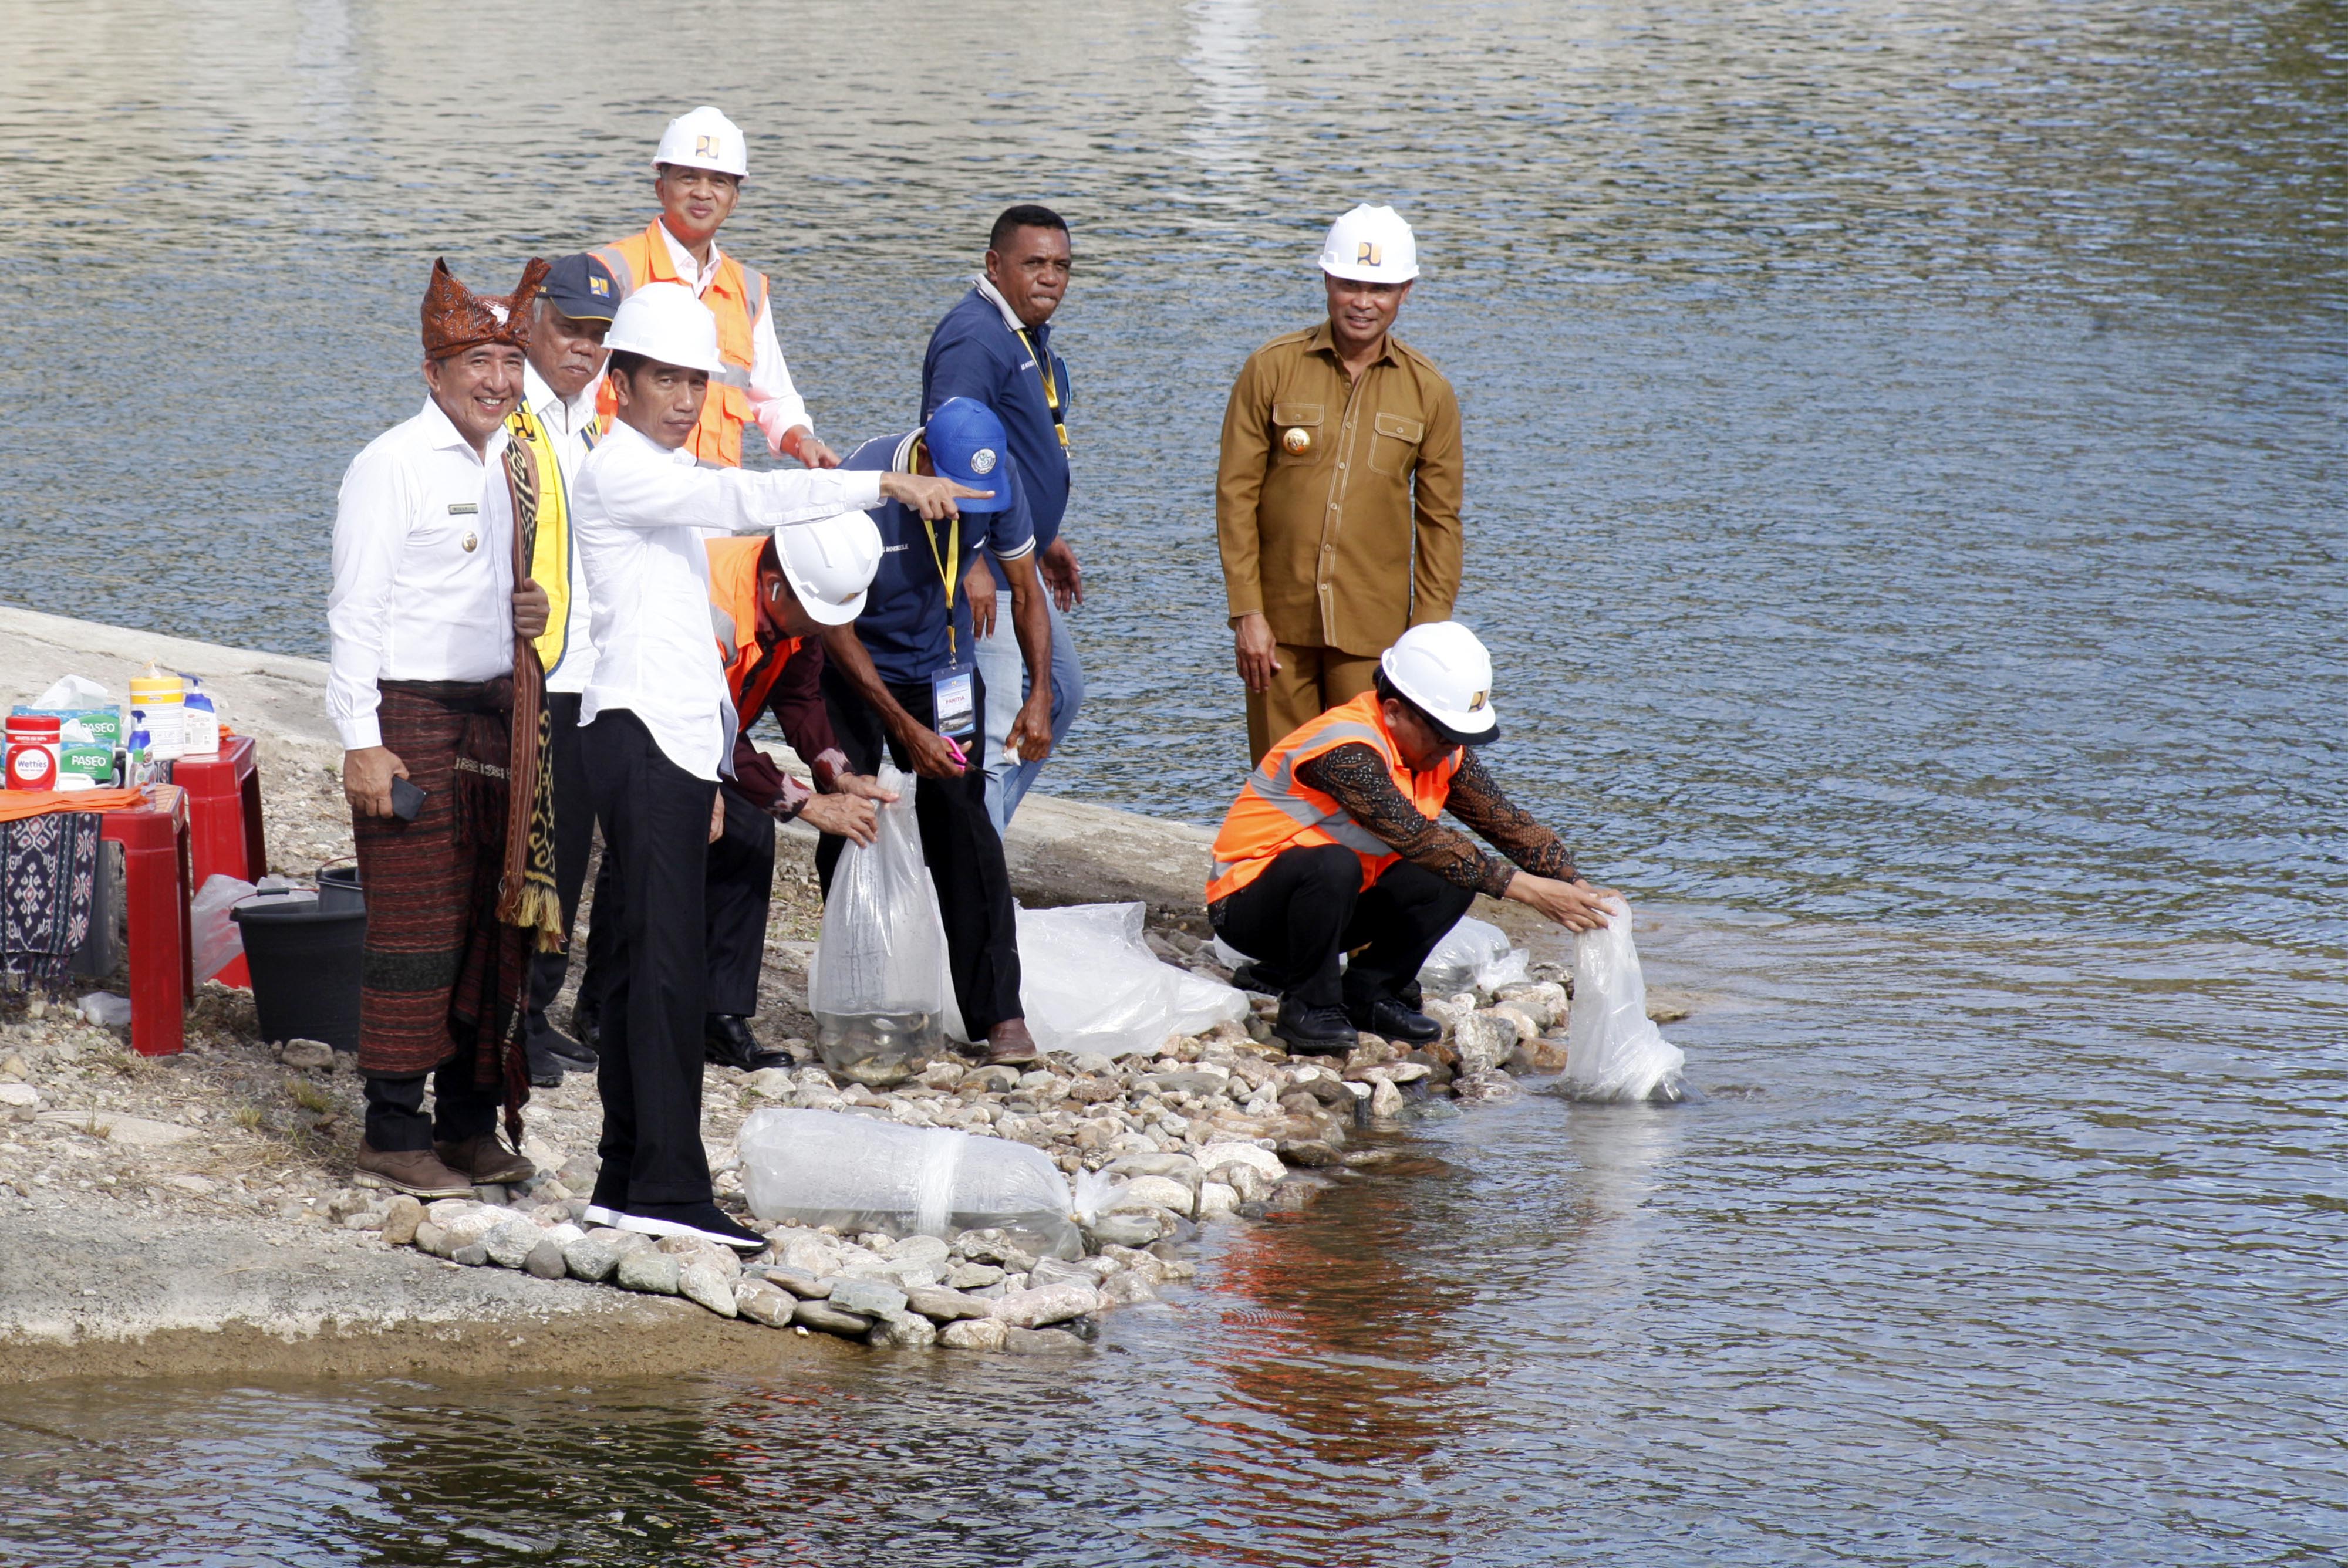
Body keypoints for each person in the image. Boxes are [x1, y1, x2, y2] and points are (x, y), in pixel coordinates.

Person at [573, 282, 979, 1251]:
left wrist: (721, 766)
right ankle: (666, 1187)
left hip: (666, 741)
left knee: (642, 968)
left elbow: (691, 650)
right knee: (661, 973)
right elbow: (744, 494)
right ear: (617, 382)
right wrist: (881, 484)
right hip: (633, 735)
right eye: (662, 378)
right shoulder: (623, 471)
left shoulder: (655, 476)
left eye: (694, 381)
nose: (681, 396)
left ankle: (624, 1175)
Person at [329, 258, 555, 1199]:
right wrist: (360, 738)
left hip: (497, 715)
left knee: (489, 919)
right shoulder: (389, 463)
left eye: (510, 359)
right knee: (415, 925)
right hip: (411, 717)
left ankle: (466, 1126)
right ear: (434, 374)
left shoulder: (515, 461)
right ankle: (391, 1127)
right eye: (478, 362)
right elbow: (354, 612)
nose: (497, 380)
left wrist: (535, 605)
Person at [1205, 622, 1617, 1056]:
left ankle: (1370, 992)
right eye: (1441, 732)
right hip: (1250, 909)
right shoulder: (1345, 749)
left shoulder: (1441, 751)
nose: (1451, 744)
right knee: (1337, 863)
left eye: (1459, 734)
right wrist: (1530, 891)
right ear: (1394, 710)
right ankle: (1309, 1007)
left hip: (1335, 909)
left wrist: (1575, 885)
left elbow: (1507, 823)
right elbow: (1416, 836)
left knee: (1456, 874)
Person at [817, 397, 1055, 1066]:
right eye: (953, 490)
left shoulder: (992, 477)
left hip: (944, 668)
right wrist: (901, 725)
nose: (966, 505)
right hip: (852, 664)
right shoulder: (864, 484)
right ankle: (859, 996)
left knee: (965, 824)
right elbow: (829, 623)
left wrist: (1039, 692)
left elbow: (1025, 586)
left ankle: (999, 1013)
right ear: (923, 462)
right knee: (852, 817)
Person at [1216, 204, 1464, 765]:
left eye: (1379, 288)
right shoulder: (1271, 369)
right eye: (1350, 283)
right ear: (1327, 280)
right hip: (1277, 630)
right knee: (1283, 782)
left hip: (1375, 639)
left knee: (1365, 788)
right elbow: (1236, 498)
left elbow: (1440, 524)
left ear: (1405, 292)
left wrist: (1423, 644)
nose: (1363, 301)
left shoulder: (1430, 393)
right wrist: (1247, 613)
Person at [695, 526, 898, 1072]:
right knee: (657, 839)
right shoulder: (708, 595)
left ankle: (720, 1015)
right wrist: (808, 806)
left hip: (716, 729)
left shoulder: (801, 606)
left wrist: (839, 773)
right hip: (657, 726)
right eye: (816, 617)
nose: (824, 630)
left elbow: (800, 698)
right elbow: (705, 724)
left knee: (751, 832)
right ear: (774, 587)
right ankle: (600, 1006)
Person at [920, 204, 1085, 829]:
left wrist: (1043, 537)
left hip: (1018, 553)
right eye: (1034, 263)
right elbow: (947, 449)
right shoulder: (975, 337)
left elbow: (1009, 450)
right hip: (982, 568)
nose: (1050, 277)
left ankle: (974, 853)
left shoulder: (1021, 332)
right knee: (988, 736)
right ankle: (971, 892)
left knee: (1061, 694)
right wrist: (970, 564)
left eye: (1062, 266)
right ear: (995, 264)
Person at [589, 106, 836, 472]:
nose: (703, 193)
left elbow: (773, 400)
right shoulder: (610, 272)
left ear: (735, 198)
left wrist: (805, 442)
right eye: (689, 178)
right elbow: (573, 398)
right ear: (661, 188)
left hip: (715, 506)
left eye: (719, 181)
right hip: (630, 493)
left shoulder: (747, 290)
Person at [511, 252, 619, 1088]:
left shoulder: (588, 422)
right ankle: (510, 1016)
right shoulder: (511, 416)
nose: (585, 348)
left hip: (585, 671)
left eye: (599, 335)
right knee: (526, 852)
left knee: (570, 850)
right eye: (572, 330)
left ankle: (537, 1011)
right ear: (535, 324)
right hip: (528, 671)